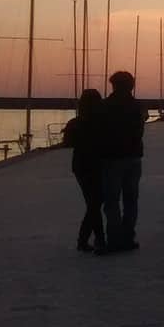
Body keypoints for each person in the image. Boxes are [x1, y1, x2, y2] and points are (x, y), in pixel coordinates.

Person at [99, 71, 144, 254]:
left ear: (113, 85)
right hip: (133, 158)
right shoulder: (137, 106)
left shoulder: (106, 106)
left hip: (112, 158)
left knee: (111, 200)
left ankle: (115, 238)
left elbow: (100, 131)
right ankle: (128, 236)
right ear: (131, 86)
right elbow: (140, 130)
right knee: (131, 200)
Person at [61, 89, 106, 252]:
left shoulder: (75, 122)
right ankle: (97, 240)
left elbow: (68, 143)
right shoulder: (102, 122)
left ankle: (86, 240)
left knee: (93, 204)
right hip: (97, 165)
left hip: (81, 166)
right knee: (95, 204)